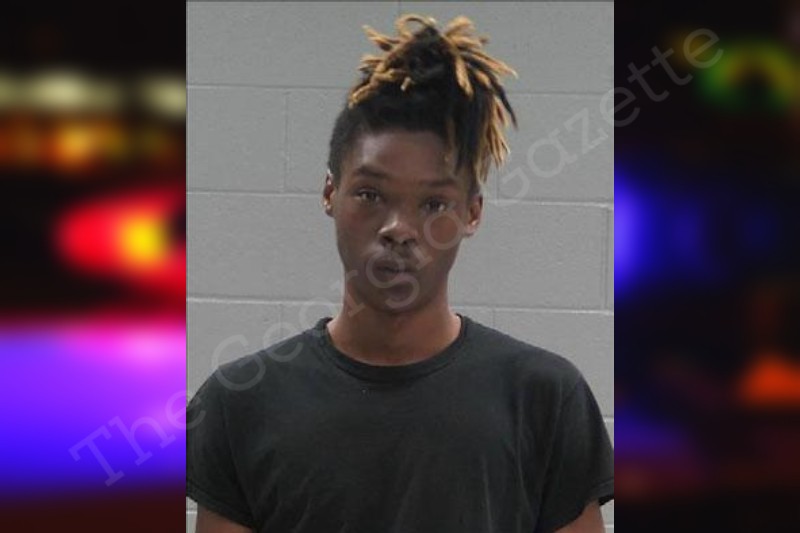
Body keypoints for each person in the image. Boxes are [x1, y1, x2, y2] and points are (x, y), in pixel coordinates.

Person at [187, 14, 613, 533]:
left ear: (472, 212)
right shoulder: (239, 404)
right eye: (370, 194)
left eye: (434, 203)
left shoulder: (545, 398)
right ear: (330, 193)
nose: (398, 229)